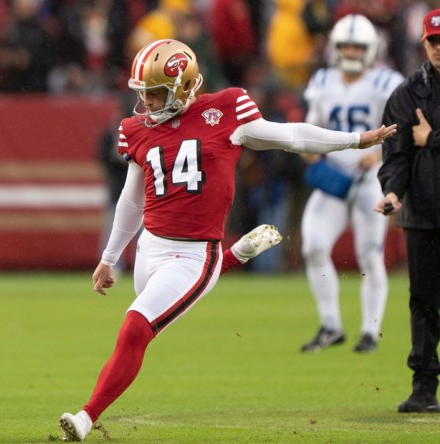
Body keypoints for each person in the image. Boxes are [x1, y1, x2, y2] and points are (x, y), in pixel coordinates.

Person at [58, 38, 397, 441]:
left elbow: (291, 136)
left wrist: (356, 139)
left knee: (135, 329)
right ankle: (231, 258)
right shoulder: (135, 130)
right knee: (145, 323)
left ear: (183, 86)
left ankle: (85, 417)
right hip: (151, 246)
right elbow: (131, 199)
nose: (145, 103)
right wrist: (110, 256)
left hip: (193, 254)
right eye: (142, 93)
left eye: (154, 93)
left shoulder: (226, 109)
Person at [299, 14, 404, 354]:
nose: (352, 52)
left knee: (369, 253)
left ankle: (370, 332)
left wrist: (379, 153)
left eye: (358, 46)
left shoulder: (386, 81)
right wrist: (310, 153)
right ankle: (331, 325)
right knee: (313, 245)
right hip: (334, 177)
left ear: (371, 49)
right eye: (346, 45)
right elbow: (312, 127)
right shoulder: (322, 80)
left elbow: (401, 126)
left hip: (370, 178)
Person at [375, 8, 440, 414]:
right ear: (424, 43)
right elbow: (396, 153)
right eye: (434, 42)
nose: (439, 50)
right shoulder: (407, 93)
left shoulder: (409, 93)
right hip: (423, 212)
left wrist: (433, 139)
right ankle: (424, 388)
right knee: (423, 302)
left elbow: (421, 141)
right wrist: (393, 192)